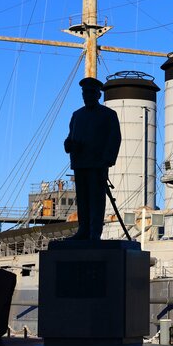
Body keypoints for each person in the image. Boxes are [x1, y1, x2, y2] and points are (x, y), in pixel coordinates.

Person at [64, 77, 121, 240]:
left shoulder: (108, 115)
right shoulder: (77, 115)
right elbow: (69, 138)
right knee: (82, 200)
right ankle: (83, 229)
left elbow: (114, 138)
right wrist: (69, 145)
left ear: (98, 94)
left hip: (97, 164)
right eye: (84, 92)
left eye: (90, 92)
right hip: (80, 164)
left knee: (96, 199)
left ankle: (95, 231)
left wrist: (107, 159)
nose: (87, 95)